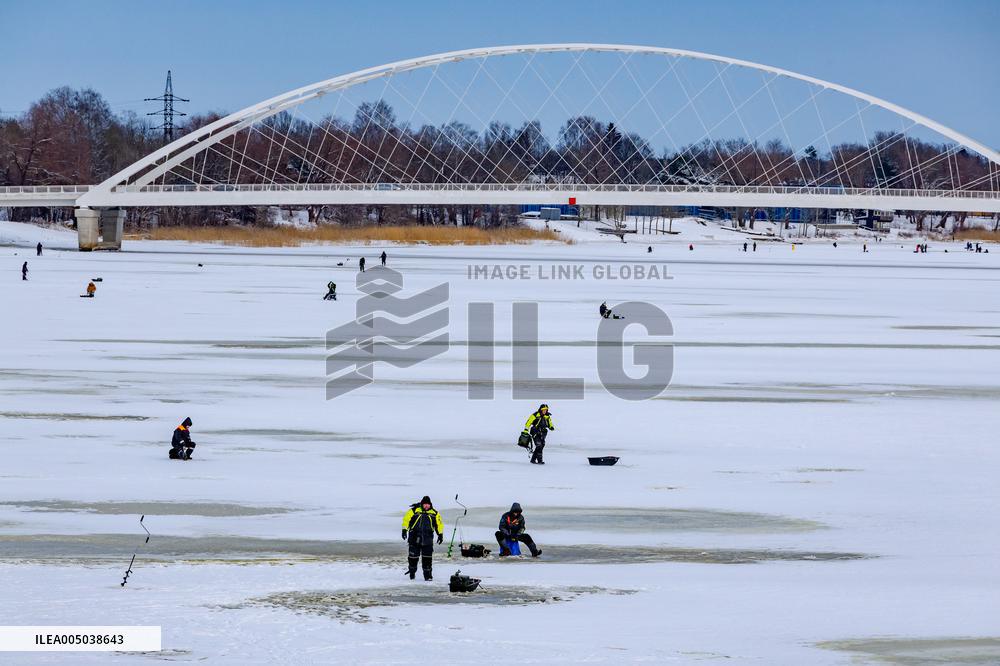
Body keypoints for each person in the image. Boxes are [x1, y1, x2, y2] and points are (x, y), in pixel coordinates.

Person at [401, 496, 444, 580]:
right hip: (414, 538)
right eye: (425, 504)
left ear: (430, 504)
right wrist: (404, 530)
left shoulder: (434, 513)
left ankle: (428, 577)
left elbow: (439, 524)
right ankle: (412, 574)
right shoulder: (414, 511)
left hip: (428, 540)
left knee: (427, 559)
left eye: (428, 504)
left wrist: (440, 534)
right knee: (413, 559)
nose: (426, 506)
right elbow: (406, 520)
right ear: (422, 504)